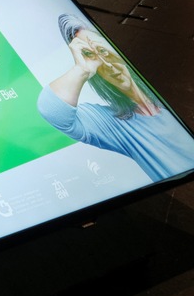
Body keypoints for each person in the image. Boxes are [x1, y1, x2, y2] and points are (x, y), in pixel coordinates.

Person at [39, 14, 194, 182]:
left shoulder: (167, 85)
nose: (108, 65)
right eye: (91, 56)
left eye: (103, 51)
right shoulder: (115, 124)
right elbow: (52, 111)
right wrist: (82, 69)